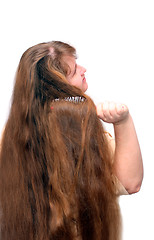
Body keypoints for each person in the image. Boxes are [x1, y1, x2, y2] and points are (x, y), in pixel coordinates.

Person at [0, 41, 143, 239]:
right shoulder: (84, 132)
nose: (84, 70)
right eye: (75, 70)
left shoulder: (10, 135)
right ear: (58, 84)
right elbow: (130, 183)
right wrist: (123, 121)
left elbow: (131, 183)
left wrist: (123, 122)